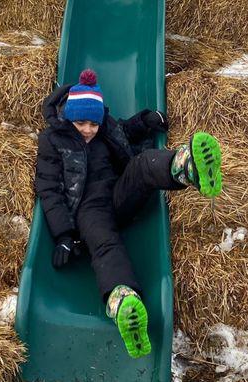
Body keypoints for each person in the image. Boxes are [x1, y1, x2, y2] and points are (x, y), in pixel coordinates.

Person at [36, 69, 222, 358]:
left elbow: (123, 131)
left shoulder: (103, 127)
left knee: (143, 164)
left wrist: (146, 121)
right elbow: (49, 189)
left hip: (118, 194)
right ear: (68, 117)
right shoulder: (53, 140)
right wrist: (62, 234)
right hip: (88, 210)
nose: (88, 129)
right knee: (105, 244)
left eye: (93, 124)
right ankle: (123, 301)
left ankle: (187, 166)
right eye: (81, 123)